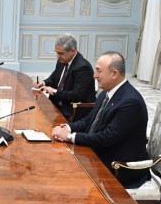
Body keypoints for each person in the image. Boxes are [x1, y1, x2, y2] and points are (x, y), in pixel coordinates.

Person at [52, 52, 150, 188]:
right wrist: (68, 128)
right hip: (99, 153)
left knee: (66, 176)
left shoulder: (131, 102)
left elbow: (106, 138)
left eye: (99, 71)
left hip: (118, 167)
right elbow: (90, 120)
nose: (94, 75)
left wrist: (69, 137)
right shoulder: (106, 92)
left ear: (114, 74)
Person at [33, 34, 96, 121]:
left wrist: (54, 91)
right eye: (56, 52)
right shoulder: (62, 60)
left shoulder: (83, 68)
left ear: (73, 51)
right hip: (57, 103)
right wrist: (43, 83)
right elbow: (54, 78)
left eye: (61, 53)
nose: (57, 56)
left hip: (72, 110)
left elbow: (76, 95)